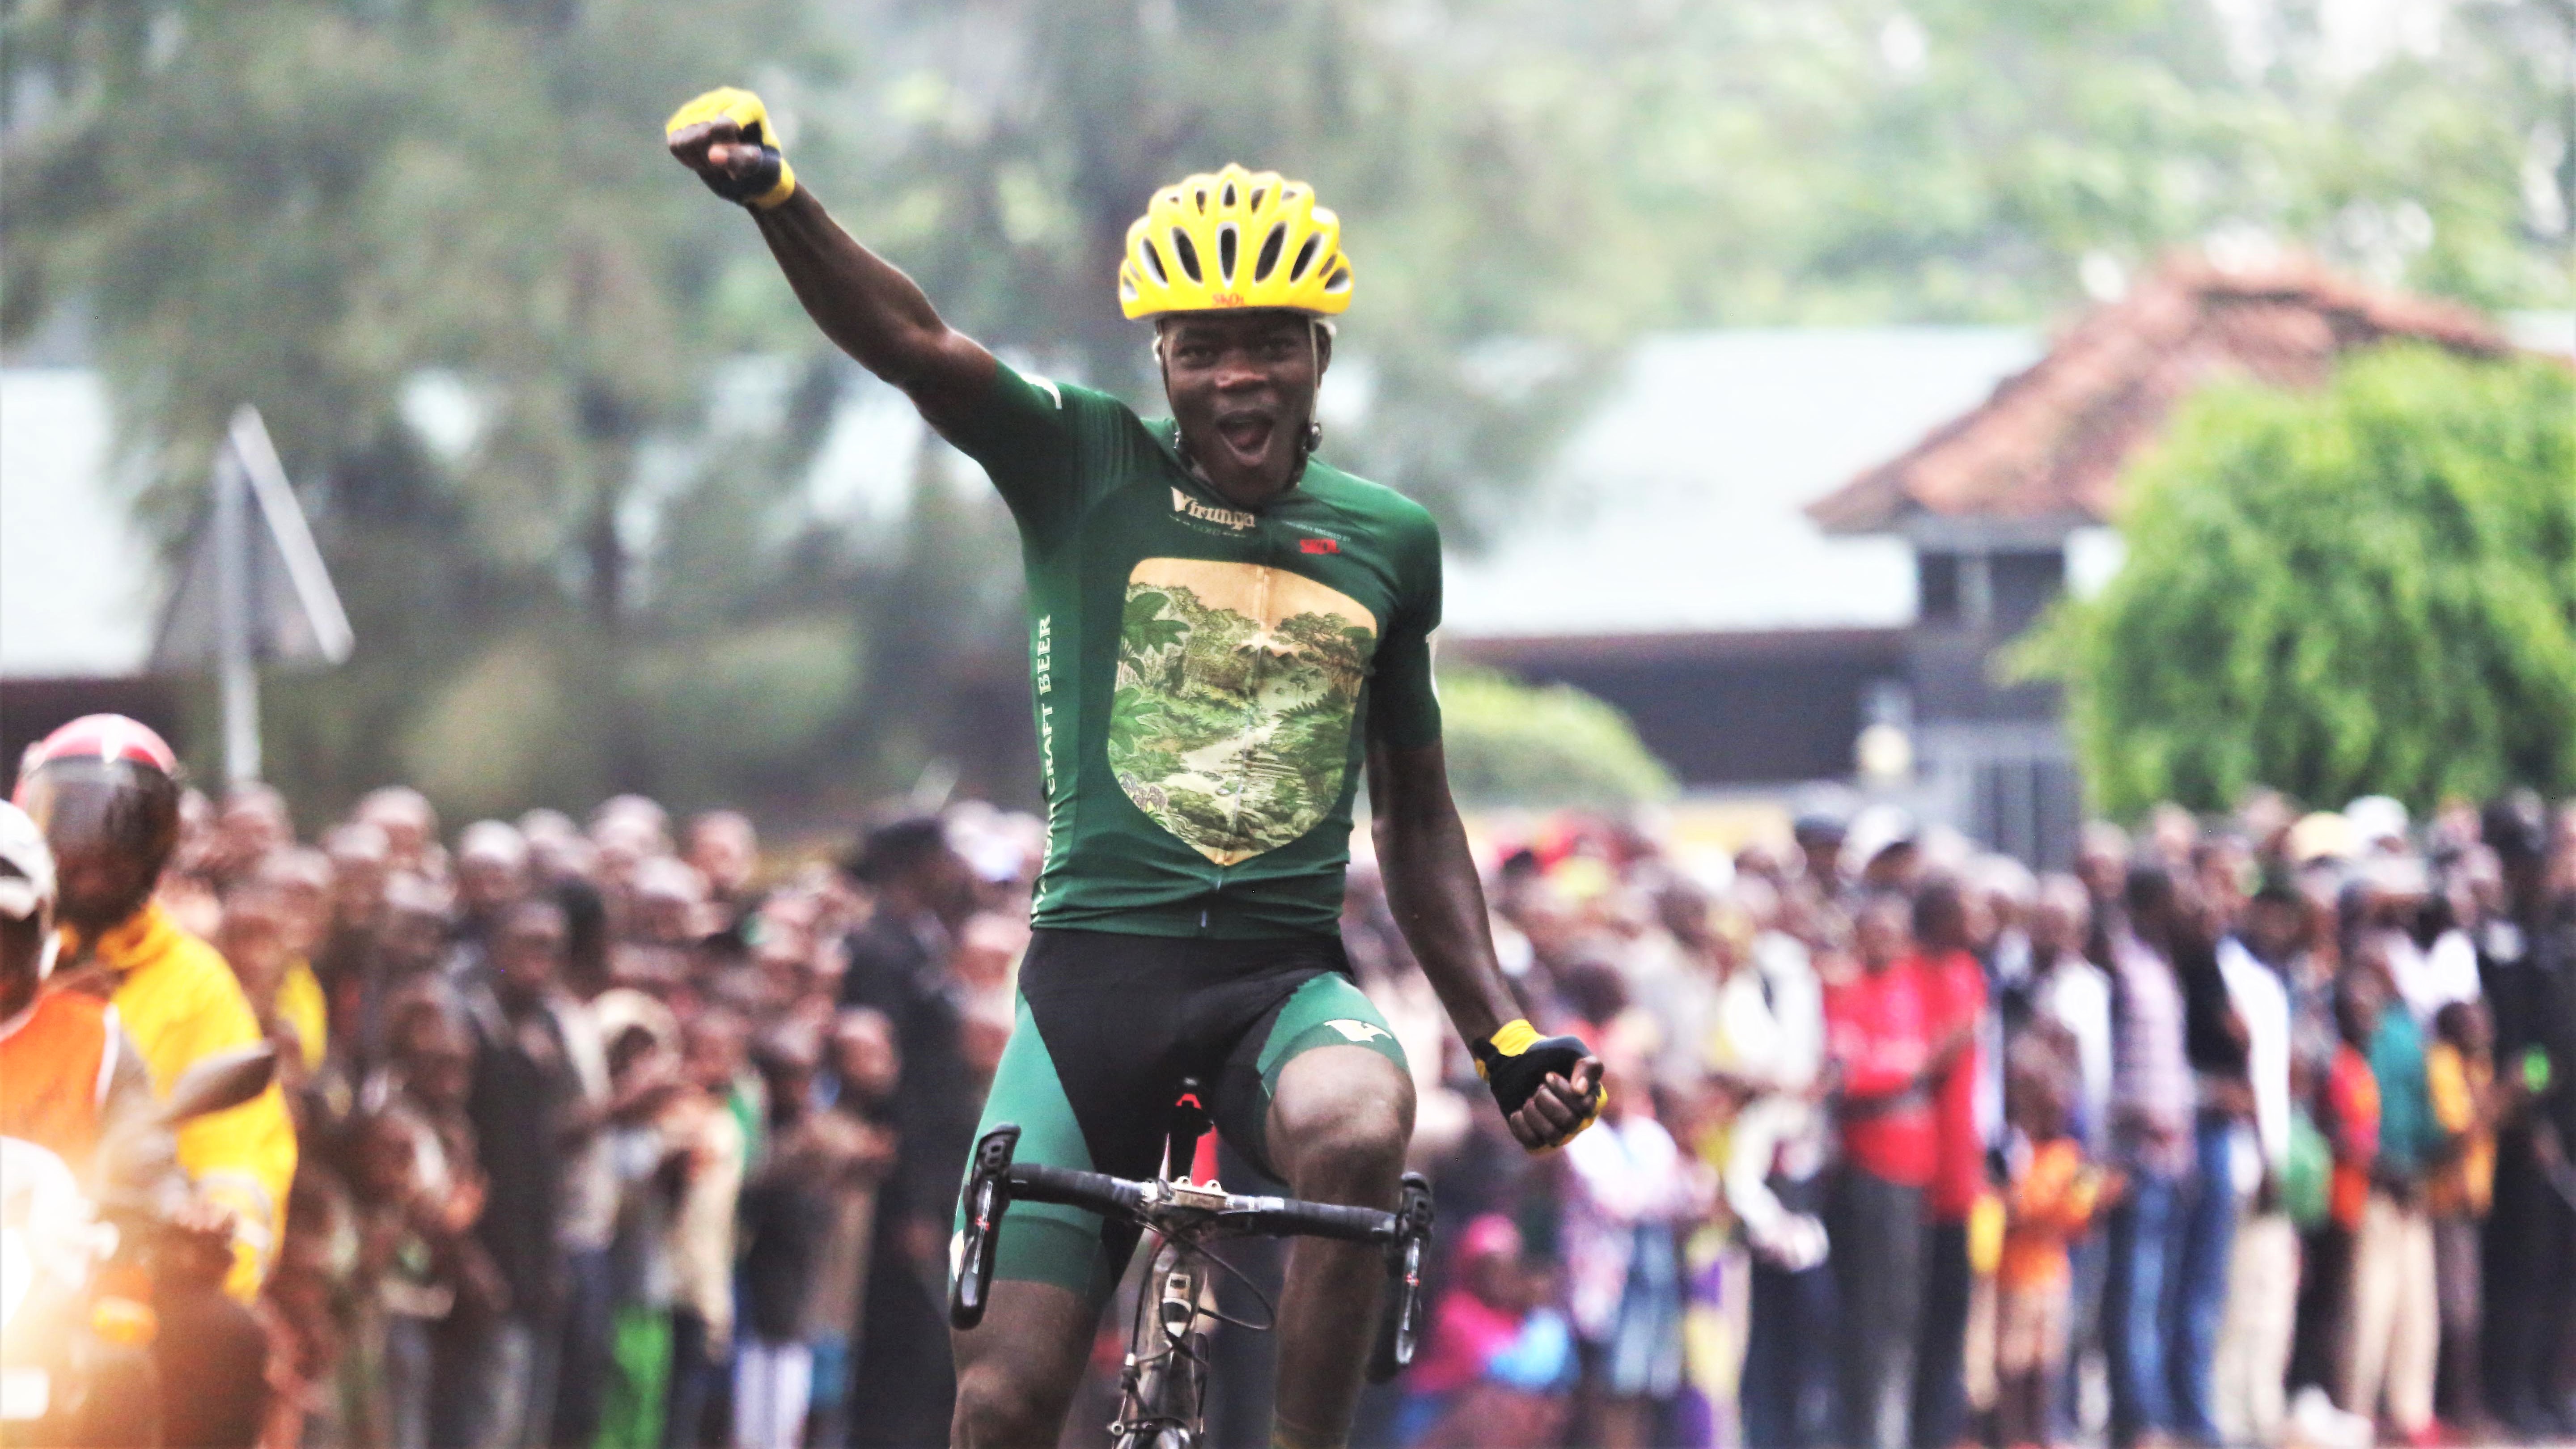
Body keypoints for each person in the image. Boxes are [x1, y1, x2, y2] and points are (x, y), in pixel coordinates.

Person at [667, 90, 1603, 1449]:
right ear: (1160, 359)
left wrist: (1504, 1038)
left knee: (1358, 1125)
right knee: (1000, 1406)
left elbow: (1417, 817)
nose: (1240, 378)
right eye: (1203, 349)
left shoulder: (1392, 541)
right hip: (1091, 991)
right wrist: (778, 200)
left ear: (1319, 352)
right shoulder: (1084, 466)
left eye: (1270, 345)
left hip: (1279, 985)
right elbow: (916, 344)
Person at [1823, 892, 1946, 1449]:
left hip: (1920, 1171)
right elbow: (1852, 1072)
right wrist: (1902, 1070)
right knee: (1872, 1314)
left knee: (1909, 1311)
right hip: (1868, 1169)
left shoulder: (1916, 985)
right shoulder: (1848, 991)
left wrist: (1903, 1068)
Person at [1994, 1038, 2116, 1449]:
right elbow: (2017, 1210)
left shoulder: (2068, 1155)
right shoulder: (2018, 1152)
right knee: (2013, 1364)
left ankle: (2042, 1433)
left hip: (2052, 1277)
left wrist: (2098, 1201)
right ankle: (2014, 1436)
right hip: (2016, 1277)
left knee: (2045, 1364)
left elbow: (2079, 1218)